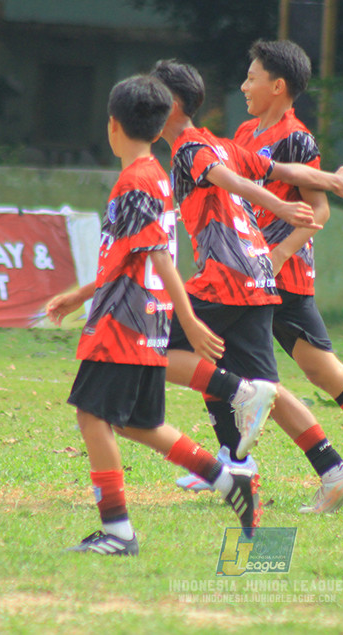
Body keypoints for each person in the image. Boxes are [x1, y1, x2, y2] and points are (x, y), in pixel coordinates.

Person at [184, 40, 343, 511]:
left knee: (307, 370)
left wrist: (276, 257)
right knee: (234, 361)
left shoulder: (298, 138)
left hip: (283, 277)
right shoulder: (245, 131)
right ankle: (244, 461)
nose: (244, 86)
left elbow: (318, 211)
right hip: (251, 274)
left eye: (252, 77)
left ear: (277, 86)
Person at [45, 75, 259, 556]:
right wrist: (80, 296)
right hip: (142, 318)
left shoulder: (136, 181)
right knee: (139, 424)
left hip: (124, 321)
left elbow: (160, 257)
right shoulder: (155, 176)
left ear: (112, 126)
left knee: (92, 416)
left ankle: (117, 530)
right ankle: (227, 480)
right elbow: (129, 255)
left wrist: (193, 320)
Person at [151, 59, 343, 514]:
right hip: (258, 277)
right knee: (265, 387)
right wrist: (332, 181)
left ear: (170, 106)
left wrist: (281, 208)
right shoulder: (223, 144)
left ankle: (236, 430)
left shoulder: (192, 149)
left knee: (147, 350)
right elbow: (288, 172)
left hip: (226, 278)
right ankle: (333, 471)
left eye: (146, 99)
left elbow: (233, 180)